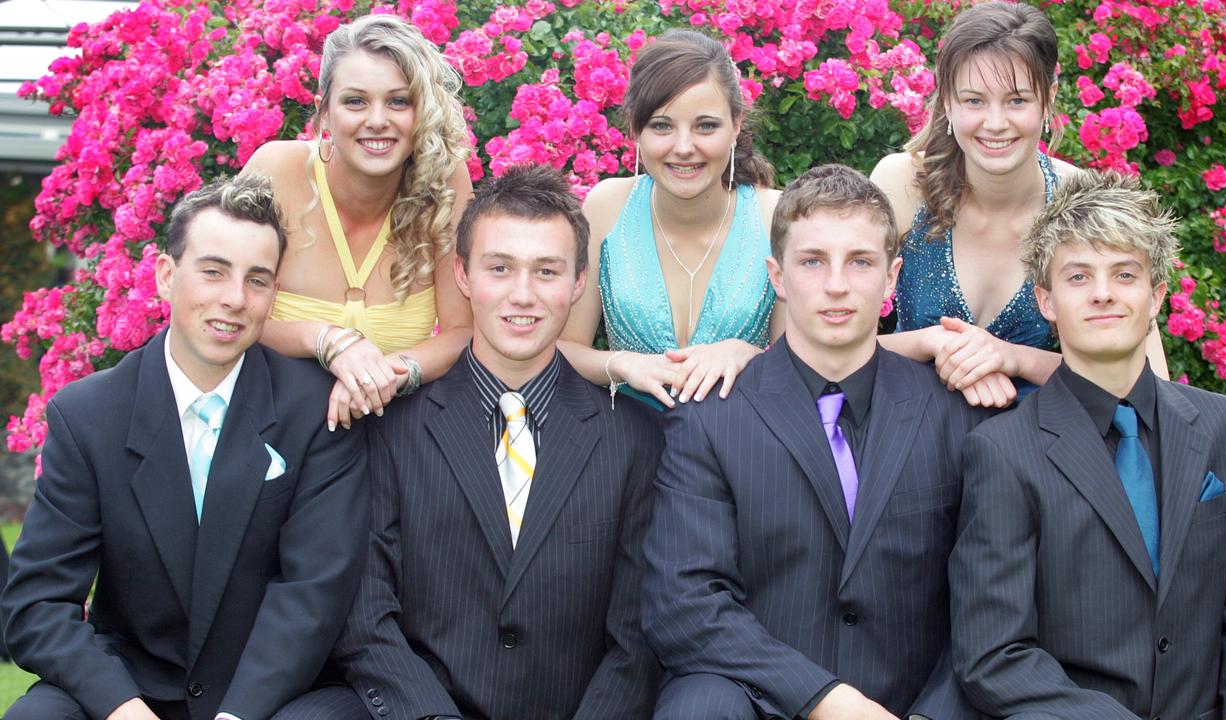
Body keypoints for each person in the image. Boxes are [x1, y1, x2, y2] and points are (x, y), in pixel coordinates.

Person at [273, 165, 663, 720]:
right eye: (499, 268)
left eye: (546, 271)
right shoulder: (390, 428)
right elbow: (365, 615)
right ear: (461, 274)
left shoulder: (632, 440)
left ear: (578, 283)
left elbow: (637, 636)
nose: (521, 295)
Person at [1, 175, 368, 720]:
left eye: (257, 280)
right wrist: (120, 708)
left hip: (272, 694)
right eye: (213, 271)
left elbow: (313, 593)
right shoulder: (87, 416)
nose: (234, 300)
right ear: (166, 276)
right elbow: (37, 606)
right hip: (133, 688)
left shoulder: (317, 412)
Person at [644, 164, 990, 720]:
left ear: (892, 277)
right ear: (777, 277)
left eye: (860, 262)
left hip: (913, 700)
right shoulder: (711, 418)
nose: (836, 284)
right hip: (763, 698)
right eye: (813, 261)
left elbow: (985, 602)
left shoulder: (953, 413)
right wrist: (827, 700)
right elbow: (685, 603)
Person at [950, 170, 1226, 719]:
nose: (1103, 292)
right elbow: (994, 653)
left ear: (1156, 297)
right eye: (1078, 277)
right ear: (1046, 301)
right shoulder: (1002, 452)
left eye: (1124, 274)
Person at [871, 2, 1167, 409]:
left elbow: (1147, 381)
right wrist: (929, 342)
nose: (995, 122)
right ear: (947, 103)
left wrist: (1015, 358)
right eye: (974, 100)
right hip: (910, 447)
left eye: (1016, 100)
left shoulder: (1081, 200)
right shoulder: (902, 185)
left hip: (1046, 457)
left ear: (1048, 99)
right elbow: (830, 348)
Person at [242, 14, 473, 430]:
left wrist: (390, 373)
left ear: (421, 112)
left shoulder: (445, 182)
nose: (378, 120)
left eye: (399, 101)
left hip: (396, 431)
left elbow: (463, 331)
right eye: (355, 101)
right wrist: (330, 341)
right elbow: (225, 307)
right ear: (324, 113)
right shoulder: (276, 171)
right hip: (270, 427)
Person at [560, 29, 782, 411]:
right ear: (635, 128)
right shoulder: (607, 206)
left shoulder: (774, 214)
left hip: (743, 451)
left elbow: (802, 369)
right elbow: (563, 349)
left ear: (737, 124)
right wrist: (621, 363)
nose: (683, 147)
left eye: (705, 126)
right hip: (626, 448)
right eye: (662, 125)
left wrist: (747, 353)